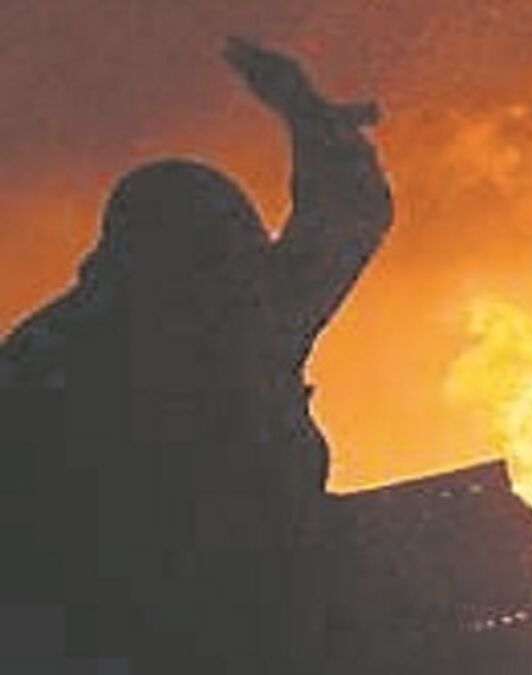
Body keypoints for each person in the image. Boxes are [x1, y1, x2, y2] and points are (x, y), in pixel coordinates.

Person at [1, 38, 392, 674]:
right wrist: (304, 111)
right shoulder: (237, 327)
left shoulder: (41, 354)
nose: (248, 274)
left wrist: (305, 111)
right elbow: (345, 219)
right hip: (220, 634)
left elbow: (344, 220)